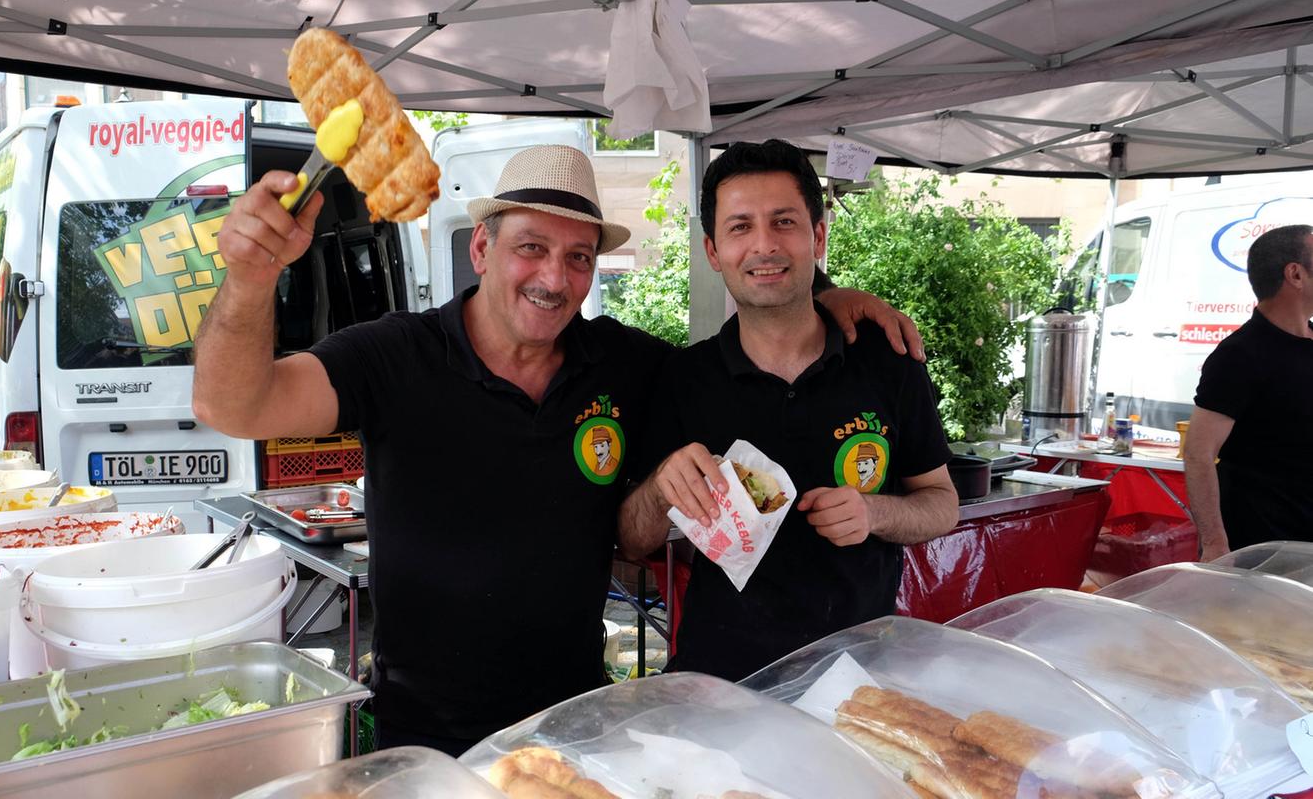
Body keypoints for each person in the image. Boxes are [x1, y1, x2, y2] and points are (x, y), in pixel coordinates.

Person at [193, 144, 923, 755]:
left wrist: (831, 301)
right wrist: (251, 279)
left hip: (576, 723)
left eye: (577, 258)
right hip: (425, 731)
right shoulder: (393, 356)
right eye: (530, 249)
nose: (553, 278)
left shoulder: (625, 364)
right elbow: (233, 405)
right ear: (482, 247)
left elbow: (763, 320)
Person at [618, 139, 959, 682]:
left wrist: (875, 513)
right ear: (712, 251)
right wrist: (662, 486)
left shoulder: (886, 361)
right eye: (739, 227)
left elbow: (942, 505)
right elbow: (634, 542)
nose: (763, 246)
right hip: (721, 682)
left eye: (783, 222)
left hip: (858, 678)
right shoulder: (683, 379)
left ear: (817, 236)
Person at [1187, 223, 1313, 560]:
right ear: (1295, 274)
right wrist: (1214, 542)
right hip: (1260, 547)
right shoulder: (1240, 355)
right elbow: (1198, 454)